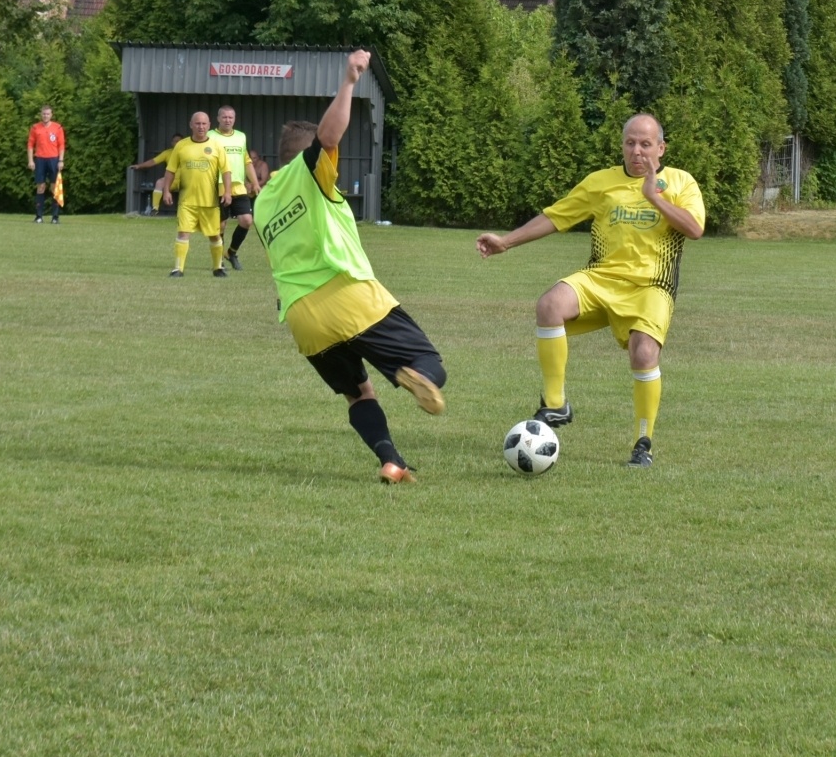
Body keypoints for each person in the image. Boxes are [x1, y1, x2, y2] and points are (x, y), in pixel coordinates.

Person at [252, 50, 446, 484]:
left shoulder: (263, 202)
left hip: (303, 319)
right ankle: (412, 373)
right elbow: (329, 136)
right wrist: (350, 80)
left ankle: (391, 461)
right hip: (347, 295)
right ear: (304, 156)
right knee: (430, 362)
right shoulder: (311, 170)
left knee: (359, 394)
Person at [476, 113, 705, 468]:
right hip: (601, 279)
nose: (637, 151)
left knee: (644, 355)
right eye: (630, 143)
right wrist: (507, 241)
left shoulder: (680, 182)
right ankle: (556, 404)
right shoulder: (601, 183)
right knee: (550, 304)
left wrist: (654, 197)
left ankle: (642, 443)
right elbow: (556, 216)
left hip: (651, 288)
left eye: (646, 144)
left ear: (661, 148)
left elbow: (694, 228)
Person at [164, 112, 232, 278]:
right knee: (183, 233)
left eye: (204, 124)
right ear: (191, 125)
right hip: (187, 201)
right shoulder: (181, 146)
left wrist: (228, 192)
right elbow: (170, 170)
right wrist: (166, 190)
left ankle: (217, 268)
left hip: (210, 202)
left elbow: (226, 171)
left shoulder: (216, 146)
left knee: (215, 234)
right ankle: (178, 269)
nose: (201, 127)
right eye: (197, 123)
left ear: (209, 125)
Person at [212, 106, 260, 271]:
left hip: (238, 186)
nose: (227, 120)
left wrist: (255, 183)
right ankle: (219, 259)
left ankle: (231, 252)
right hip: (217, 186)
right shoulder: (210, 136)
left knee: (247, 221)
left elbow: (247, 161)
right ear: (218, 118)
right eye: (224, 117)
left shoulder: (241, 136)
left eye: (230, 117)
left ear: (235, 119)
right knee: (220, 225)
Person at [26, 105, 66, 224]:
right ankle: (39, 216)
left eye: (48, 114)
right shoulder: (35, 127)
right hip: (40, 160)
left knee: (54, 188)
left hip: (54, 160)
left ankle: (55, 217)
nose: (45, 116)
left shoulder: (57, 127)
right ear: (41, 114)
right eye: (44, 114)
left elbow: (61, 145)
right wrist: (30, 160)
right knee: (41, 187)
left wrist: (61, 160)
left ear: (51, 115)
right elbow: (30, 145)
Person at [131, 133, 183, 215]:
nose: (177, 143)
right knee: (159, 182)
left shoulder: (187, 152)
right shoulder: (167, 153)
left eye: (179, 141)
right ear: (172, 143)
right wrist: (139, 166)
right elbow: (153, 161)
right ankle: (155, 209)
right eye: (175, 141)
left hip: (185, 180)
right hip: (172, 180)